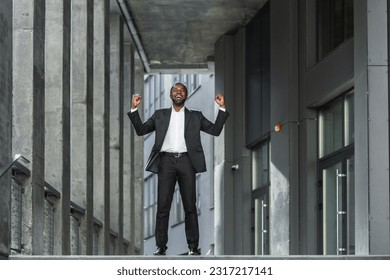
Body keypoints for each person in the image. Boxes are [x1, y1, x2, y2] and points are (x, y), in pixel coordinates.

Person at [128, 82, 229, 256]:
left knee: (190, 206)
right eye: (175, 90)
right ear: (170, 95)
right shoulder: (160, 115)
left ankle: (192, 247)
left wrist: (222, 108)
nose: (178, 92)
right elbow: (141, 130)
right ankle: (161, 247)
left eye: (182, 90)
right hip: (166, 162)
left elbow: (215, 130)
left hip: (187, 161)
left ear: (186, 95)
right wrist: (134, 109)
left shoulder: (196, 117)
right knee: (163, 206)